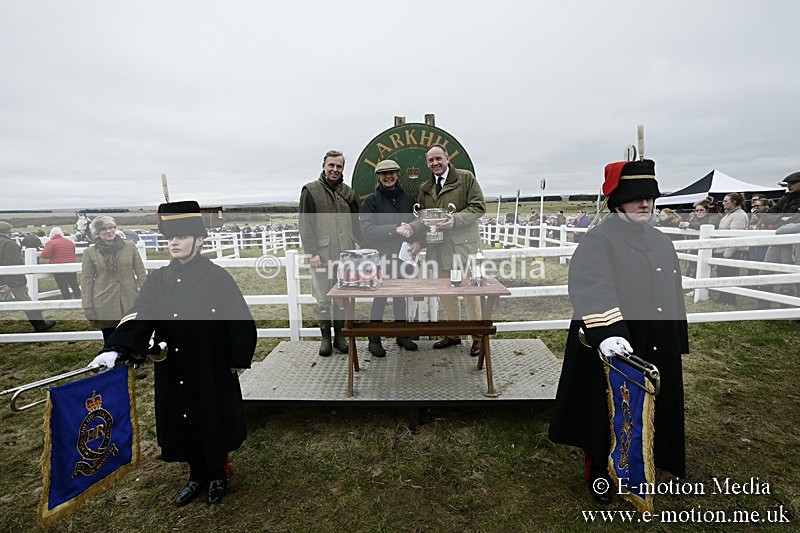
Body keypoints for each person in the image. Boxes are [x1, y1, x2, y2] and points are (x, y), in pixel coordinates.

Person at [88, 201, 256, 506]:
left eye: (181, 236)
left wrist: (236, 359)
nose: (174, 243)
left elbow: (240, 320)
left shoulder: (217, 278)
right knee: (184, 417)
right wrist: (115, 348)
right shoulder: (159, 280)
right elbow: (140, 314)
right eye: (170, 238)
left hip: (210, 362)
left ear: (199, 241)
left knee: (211, 417)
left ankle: (217, 473)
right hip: (174, 364)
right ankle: (195, 475)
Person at [548, 158, 688, 505]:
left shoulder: (661, 241)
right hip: (615, 339)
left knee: (653, 404)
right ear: (617, 200)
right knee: (606, 411)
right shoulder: (599, 241)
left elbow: (672, 291)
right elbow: (591, 287)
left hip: (654, 340)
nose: (645, 203)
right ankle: (602, 469)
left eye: (650, 197)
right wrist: (610, 332)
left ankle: (652, 456)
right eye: (635, 196)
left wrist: (674, 339)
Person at [410, 144, 486, 357]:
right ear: (427, 164)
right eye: (431, 160)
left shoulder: (466, 178)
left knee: (471, 294)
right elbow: (424, 219)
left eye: (438, 159)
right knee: (446, 294)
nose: (435, 163)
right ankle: (453, 334)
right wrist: (413, 231)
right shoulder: (425, 188)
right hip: (439, 250)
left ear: (447, 159)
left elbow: (479, 206)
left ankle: (477, 337)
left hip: (464, 249)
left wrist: (455, 220)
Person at [298, 150, 361, 357]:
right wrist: (312, 252)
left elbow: (356, 224)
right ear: (324, 166)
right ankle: (325, 338)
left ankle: (339, 336)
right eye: (331, 165)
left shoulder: (349, 193)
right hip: (322, 254)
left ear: (343, 168)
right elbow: (305, 225)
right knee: (323, 296)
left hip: (346, 253)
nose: (335, 170)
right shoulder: (311, 190)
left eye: (339, 166)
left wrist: (362, 248)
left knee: (341, 296)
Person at [359, 159, 421, 357]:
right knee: (379, 299)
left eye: (392, 173)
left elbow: (417, 225)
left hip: (403, 258)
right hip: (380, 258)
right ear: (379, 177)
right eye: (384, 174)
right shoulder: (372, 201)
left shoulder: (408, 199)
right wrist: (395, 230)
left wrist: (420, 242)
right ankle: (374, 339)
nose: (388, 177)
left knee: (401, 297)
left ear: (397, 175)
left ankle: (401, 335)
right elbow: (368, 231)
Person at [80, 215, 147, 343]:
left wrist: (147, 297)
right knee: (111, 338)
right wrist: (87, 306)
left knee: (132, 334)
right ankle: (114, 361)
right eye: (104, 229)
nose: (109, 231)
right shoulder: (90, 252)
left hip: (130, 299)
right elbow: (86, 281)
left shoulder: (130, 246)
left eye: (111, 227)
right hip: (104, 302)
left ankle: (133, 360)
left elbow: (141, 273)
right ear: (97, 233)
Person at [0, 221, 56, 332]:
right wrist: (12, 284)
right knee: (26, 301)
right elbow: (13, 264)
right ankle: (40, 325)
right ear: (7, 232)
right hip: (11, 280)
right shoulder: (9, 244)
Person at [715, 193, 750, 305]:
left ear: (734, 202)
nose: (723, 203)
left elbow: (734, 236)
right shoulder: (729, 215)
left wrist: (727, 254)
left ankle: (730, 299)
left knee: (729, 273)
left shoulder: (739, 215)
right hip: (722, 249)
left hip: (731, 251)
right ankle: (723, 297)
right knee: (721, 273)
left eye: (726, 201)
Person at [762, 172, 800, 266]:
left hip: (792, 238)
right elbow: (765, 216)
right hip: (781, 235)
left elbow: (795, 220)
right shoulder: (786, 198)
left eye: (793, 183)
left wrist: (786, 221)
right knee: (769, 265)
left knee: (789, 266)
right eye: (788, 183)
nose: (789, 186)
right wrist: (781, 218)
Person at [41, 227, 81, 299]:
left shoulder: (50, 243)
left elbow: (44, 255)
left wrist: (52, 256)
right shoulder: (69, 242)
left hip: (58, 266)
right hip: (71, 265)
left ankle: (67, 298)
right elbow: (73, 251)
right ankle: (78, 296)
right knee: (73, 282)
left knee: (62, 283)